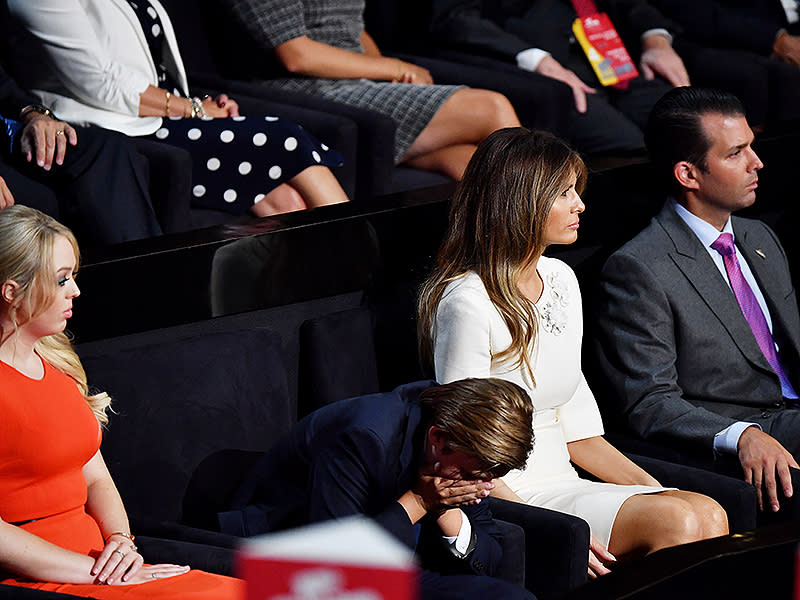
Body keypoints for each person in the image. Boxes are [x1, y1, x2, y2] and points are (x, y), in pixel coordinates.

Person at [417, 128, 728, 578]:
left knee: (708, 513)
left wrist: (657, 489)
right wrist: (547, 530)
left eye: (576, 191)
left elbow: (579, 430)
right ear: (521, 200)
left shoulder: (561, 278)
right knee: (681, 520)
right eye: (563, 193)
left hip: (566, 481)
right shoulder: (466, 302)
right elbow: (461, 452)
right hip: (513, 497)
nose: (580, 204)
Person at [0, 205, 243, 598]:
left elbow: (94, 475)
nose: (75, 290)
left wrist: (121, 541)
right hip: (49, 580)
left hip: (107, 565)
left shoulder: (56, 359)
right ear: (12, 291)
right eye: (61, 279)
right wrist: (97, 573)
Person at [594, 87, 800, 516]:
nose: (756, 163)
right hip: (744, 427)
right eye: (736, 153)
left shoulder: (759, 236)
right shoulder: (638, 267)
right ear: (688, 174)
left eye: (753, 147)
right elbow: (647, 401)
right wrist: (739, 435)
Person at [8, 0, 349, 219]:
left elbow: (147, 64)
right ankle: (360, 262)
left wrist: (194, 104)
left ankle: (323, 299)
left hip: (157, 115)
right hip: (115, 127)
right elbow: (100, 81)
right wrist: (194, 110)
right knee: (285, 137)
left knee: (288, 201)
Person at [221, 378, 536, 600]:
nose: (480, 485)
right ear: (438, 438)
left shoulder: (465, 457)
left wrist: (445, 509)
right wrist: (420, 501)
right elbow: (333, 564)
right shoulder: (364, 438)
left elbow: (490, 560)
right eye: (471, 474)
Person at [223, 0, 522, 181]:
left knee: (469, 163)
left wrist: (390, 78)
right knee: (491, 109)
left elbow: (350, 28)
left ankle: (510, 265)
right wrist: (393, 69)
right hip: (303, 93)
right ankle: (543, 237)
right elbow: (297, 55)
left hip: (356, 82)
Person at [429, 0, 680, 154]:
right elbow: (455, 18)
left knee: (686, 126)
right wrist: (535, 59)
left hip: (612, 55)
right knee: (632, 146)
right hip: (532, 63)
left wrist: (655, 37)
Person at [0, 61, 162, 245]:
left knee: (109, 149)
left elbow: (4, 87)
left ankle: (142, 264)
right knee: (44, 201)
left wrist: (35, 114)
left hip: (9, 135)